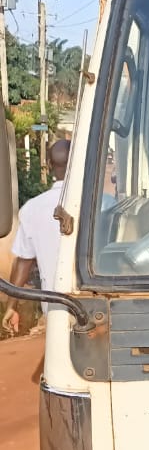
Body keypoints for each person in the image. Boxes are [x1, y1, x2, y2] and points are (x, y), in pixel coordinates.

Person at [2, 139, 71, 336]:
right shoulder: (105, 203)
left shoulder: (32, 209)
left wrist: (11, 307)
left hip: (56, 312)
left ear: (48, 165)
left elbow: (24, 262)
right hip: (103, 309)